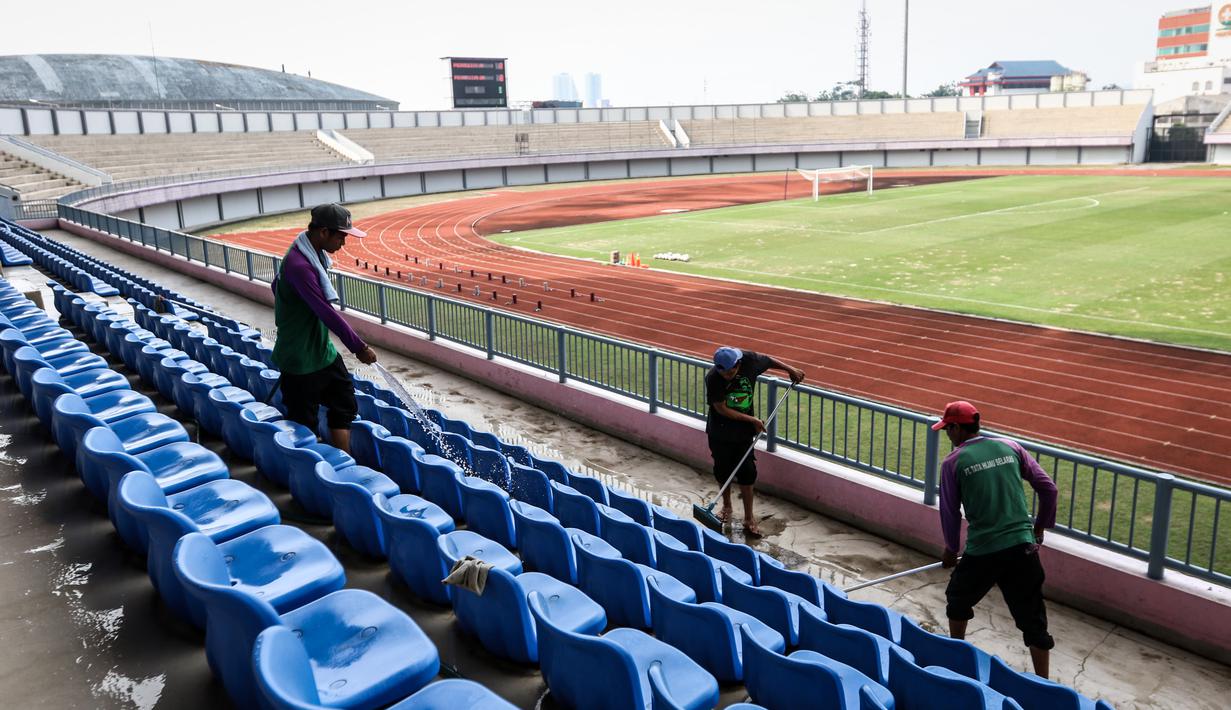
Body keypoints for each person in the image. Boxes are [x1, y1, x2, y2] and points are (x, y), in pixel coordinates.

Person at [934, 400, 1058, 678]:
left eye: (947, 429)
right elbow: (1049, 489)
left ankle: (957, 661)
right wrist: (1039, 529)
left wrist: (951, 549)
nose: (947, 434)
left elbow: (950, 512)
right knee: (1033, 620)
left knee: (957, 600)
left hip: (983, 550)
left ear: (957, 428)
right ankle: (1044, 684)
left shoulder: (953, 462)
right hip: (1023, 548)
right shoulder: (1011, 446)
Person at [271, 203, 378, 454]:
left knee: (344, 405)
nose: (344, 242)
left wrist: (296, 308)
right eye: (341, 236)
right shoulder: (299, 265)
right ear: (323, 232)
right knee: (304, 425)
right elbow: (325, 311)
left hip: (322, 352)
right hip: (299, 360)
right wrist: (359, 347)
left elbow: (276, 286)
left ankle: (344, 462)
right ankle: (316, 471)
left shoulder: (308, 254)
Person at [705, 346, 804, 537]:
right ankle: (726, 507)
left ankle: (749, 518)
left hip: (743, 433)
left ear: (738, 364)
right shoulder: (713, 378)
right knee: (722, 470)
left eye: (731, 371)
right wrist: (752, 420)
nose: (727, 375)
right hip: (720, 432)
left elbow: (768, 360)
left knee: (748, 472)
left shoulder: (749, 361)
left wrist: (790, 370)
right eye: (723, 372)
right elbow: (721, 408)